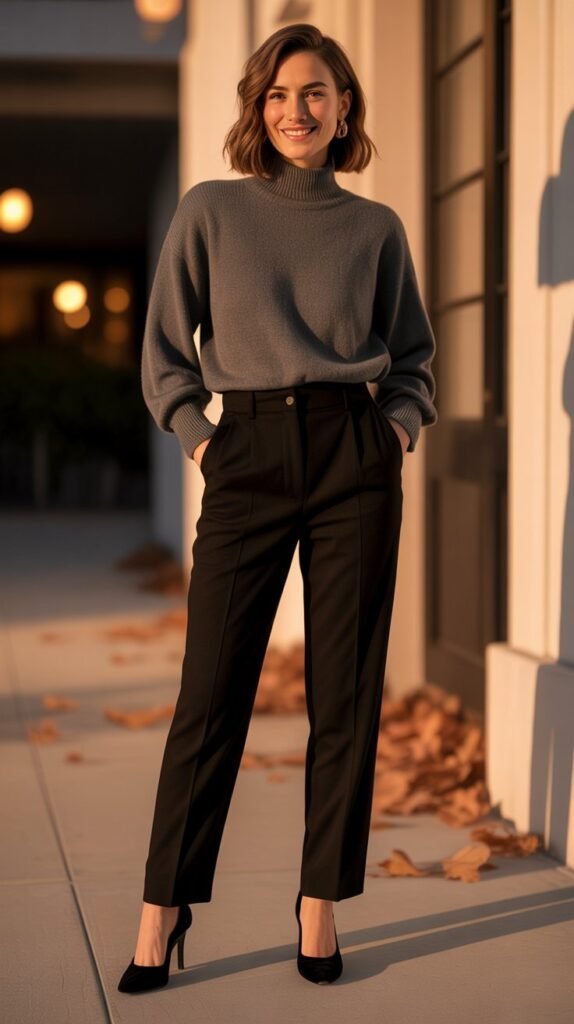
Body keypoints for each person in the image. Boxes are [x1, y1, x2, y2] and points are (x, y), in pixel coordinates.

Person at [118, 22, 437, 994]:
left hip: (353, 454)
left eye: (316, 92)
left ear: (346, 109)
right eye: (278, 95)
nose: (297, 110)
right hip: (246, 450)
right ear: (257, 110)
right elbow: (166, 353)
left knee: (343, 692)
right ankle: (162, 904)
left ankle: (317, 903)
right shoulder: (211, 210)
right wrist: (204, 440)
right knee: (211, 690)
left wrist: (394, 431)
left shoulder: (375, 228)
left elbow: (413, 357)